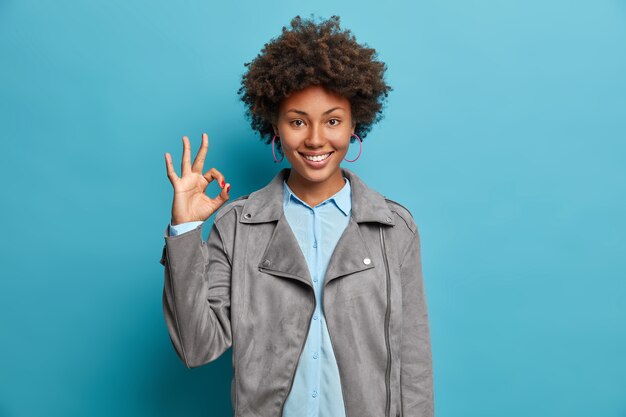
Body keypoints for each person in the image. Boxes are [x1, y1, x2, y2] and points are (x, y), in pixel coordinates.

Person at [160, 15, 433, 417]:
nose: (316, 139)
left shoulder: (394, 228)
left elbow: (413, 366)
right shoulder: (237, 227)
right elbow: (196, 347)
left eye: (333, 121)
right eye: (298, 121)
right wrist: (185, 230)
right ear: (275, 125)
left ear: (355, 122)